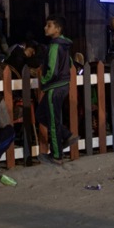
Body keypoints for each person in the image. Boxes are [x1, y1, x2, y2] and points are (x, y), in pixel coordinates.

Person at [36, 14, 76, 163]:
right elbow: (70, 64)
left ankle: (57, 155)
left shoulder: (54, 45)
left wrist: (43, 80)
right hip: (63, 86)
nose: (45, 28)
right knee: (41, 114)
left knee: (53, 121)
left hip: (54, 87)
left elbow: (52, 71)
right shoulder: (65, 45)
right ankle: (66, 135)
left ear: (57, 29)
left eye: (49, 25)